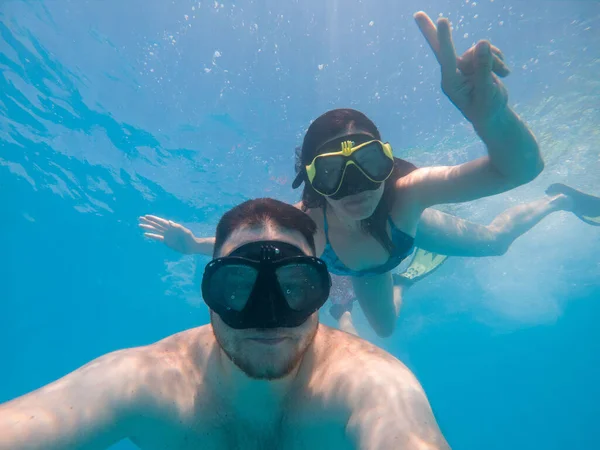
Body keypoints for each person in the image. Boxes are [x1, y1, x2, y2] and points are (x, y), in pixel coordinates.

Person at [141, 11, 548, 337]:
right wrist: (196, 244)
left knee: (495, 243)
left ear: (387, 161)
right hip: (376, 270)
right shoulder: (307, 224)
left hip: (410, 234)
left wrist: (492, 120)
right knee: (386, 331)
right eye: (334, 172)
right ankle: (404, 282)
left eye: (368, 164)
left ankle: (558, 200)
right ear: (313, 179)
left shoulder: (408, 194)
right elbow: (256, 249)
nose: (354, 187)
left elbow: (520, 169)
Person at [0, 199, 450, 450]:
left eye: (295, 286)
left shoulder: (372, 381)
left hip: (345, 347)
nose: (268, 316)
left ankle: (397, 285)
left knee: (356, 333)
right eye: (237, 286)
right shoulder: (145, 381)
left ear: (319, 289)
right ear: (208, 293)